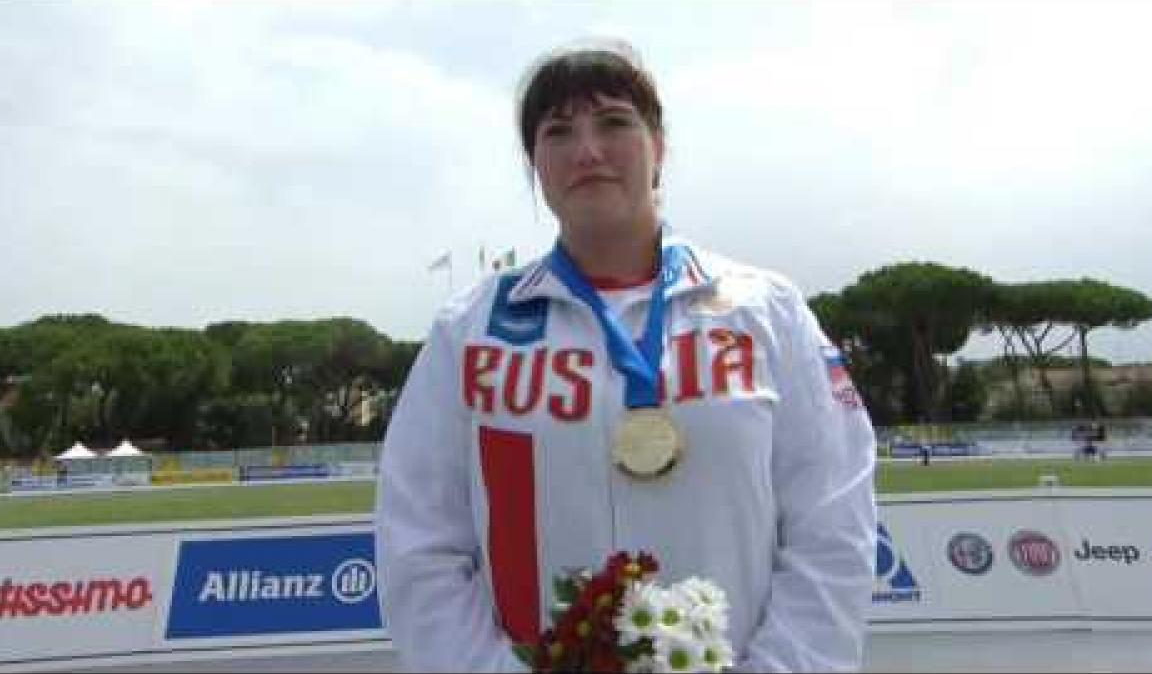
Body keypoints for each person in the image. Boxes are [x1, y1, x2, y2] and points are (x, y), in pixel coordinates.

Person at [375, 38, 877, 672]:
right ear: (536, 162)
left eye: (614, 122)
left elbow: (834, 527)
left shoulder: (768, 311)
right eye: (558, 131)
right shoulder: (467, 332)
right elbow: (419, 547)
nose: (587, 150)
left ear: (658, 147)